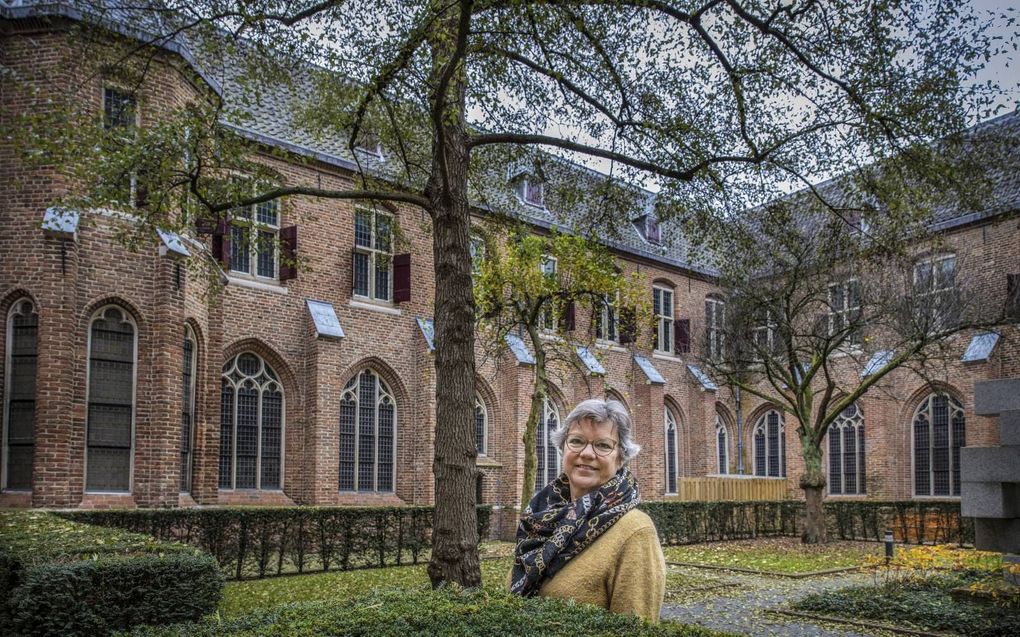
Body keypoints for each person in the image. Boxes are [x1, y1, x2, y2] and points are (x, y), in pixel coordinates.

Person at [509, 398, 666, 622]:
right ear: (563, 448)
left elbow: (636, 628)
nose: (587, 453)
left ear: (620, 458)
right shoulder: (539, 517)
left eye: (602, 445)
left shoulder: (635, 531)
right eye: (576, 441)